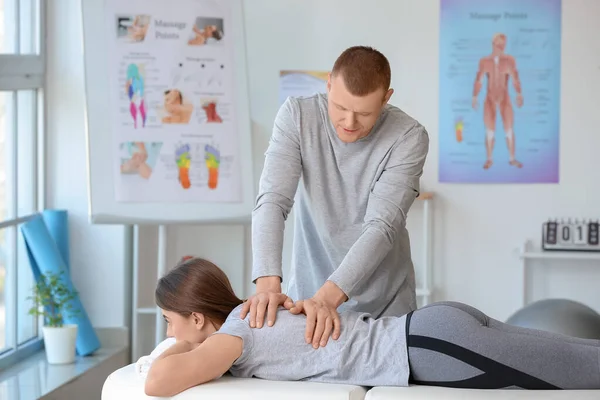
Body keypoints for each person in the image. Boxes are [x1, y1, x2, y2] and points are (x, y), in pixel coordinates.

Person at [143, 257, 600, 397]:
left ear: (198, 317)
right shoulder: (255, 310)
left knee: (583, 367)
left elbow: (158, 384)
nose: (170, 334)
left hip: (431, 348)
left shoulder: (234, 335)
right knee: (582, 352)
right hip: (434, 328)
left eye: (171, 322)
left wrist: (178, 348)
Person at [243, 46, 430, 348]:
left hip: (385, 307)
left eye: (364, 113)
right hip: (306, 301)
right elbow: (272, 200)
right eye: (340, 107)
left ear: (386, 97)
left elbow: (382, 227)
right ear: (328, 84)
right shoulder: (297, 116)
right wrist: (267, 285)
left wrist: (327, 299)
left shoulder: (408, 136)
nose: (350, 122)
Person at [472, 33, 524, 170]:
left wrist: (519, 93)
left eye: (503, 45)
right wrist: (475, 96)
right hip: (490, 99)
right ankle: (489, 159)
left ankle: (512, 159)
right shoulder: (485, 61)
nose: (501, 47)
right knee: (490, 131)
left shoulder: (509, 61)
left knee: (509, 129)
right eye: (498, 44)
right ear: (493, 44)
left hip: (504, 98)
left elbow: (515, 78)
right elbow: (479, 79)